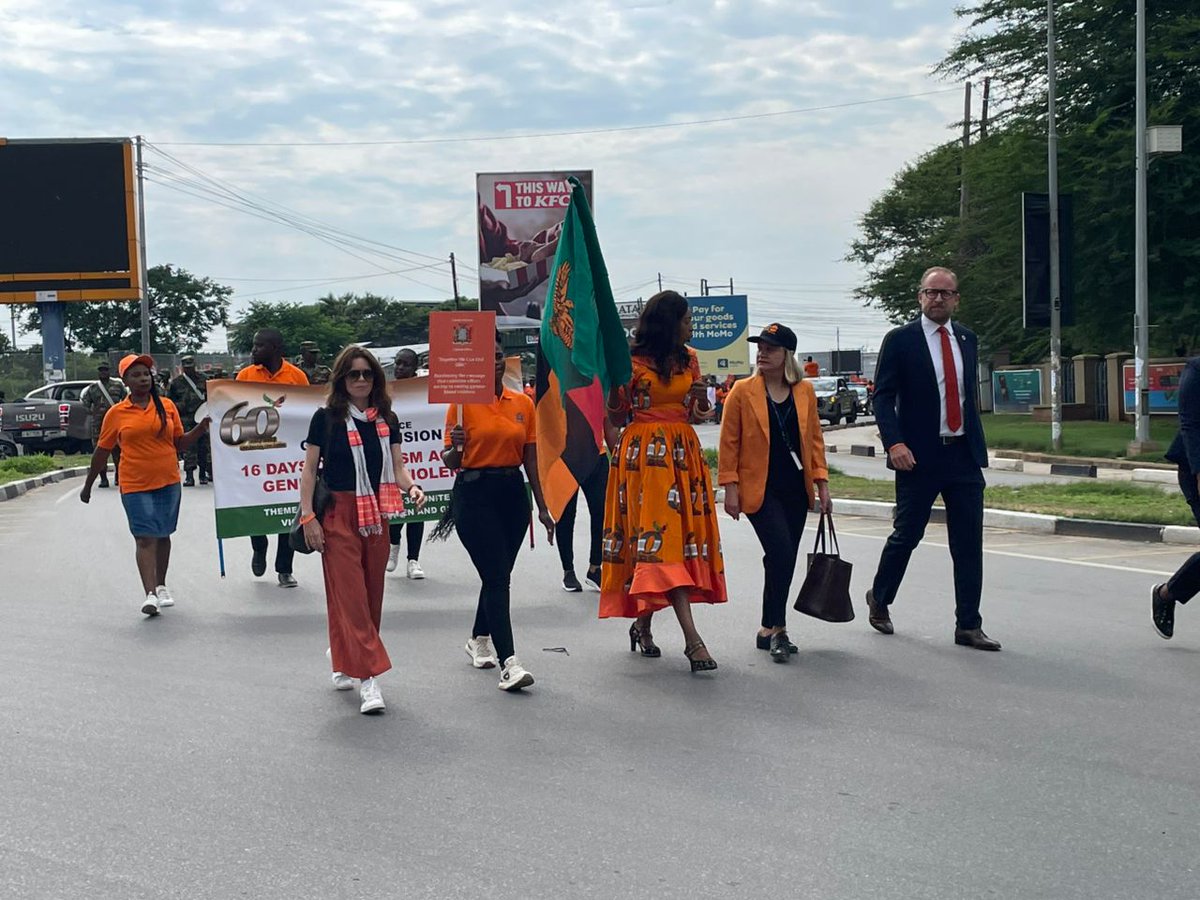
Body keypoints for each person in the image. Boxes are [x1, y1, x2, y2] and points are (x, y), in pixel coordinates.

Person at [866, 266, 999, 651]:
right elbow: (882, 397)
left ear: (957, 298)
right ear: (919, 297)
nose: (937, 298)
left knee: (968, 541)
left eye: (945, 293)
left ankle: (968, 625)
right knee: (908, 534)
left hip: (962, 454)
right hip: (917, 456)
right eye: (930, 292)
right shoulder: (901, 340)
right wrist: (895, 443)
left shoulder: (966, 339)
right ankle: (881, 597)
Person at [602, 290, 726, 672]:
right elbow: (617, 411)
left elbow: (698, 412)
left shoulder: (689, 359)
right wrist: (614, 383)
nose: (692, 326)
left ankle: (643, 624)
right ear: (669, 323)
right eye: (687, 320)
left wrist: (701, 403)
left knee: (672, 540)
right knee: (661, 539)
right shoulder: (631, 360)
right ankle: (693, 641)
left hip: (682, 454)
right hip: (642, 458)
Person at [298, 347, 425, 715]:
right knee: (351, 596)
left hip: (377, 515)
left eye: (367, 374)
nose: (360, 380)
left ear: (376, 378)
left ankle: (342, 654)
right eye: (353, 374)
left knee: (369, 598)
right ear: (341, 379)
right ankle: (369, 680)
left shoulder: (386, 419)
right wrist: (309, 518)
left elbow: (398, 467)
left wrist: (412, 487)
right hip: (337, 514)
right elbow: (309, 471)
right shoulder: (325, 419)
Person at [437, 339, 554, 692]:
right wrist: (455, 447)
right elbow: (450, 462)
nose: (494, 363)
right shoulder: (460, 405)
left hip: (512, 495)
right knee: (498, 576)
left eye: (499, 356)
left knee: (497, 574)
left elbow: (531, 458)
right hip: (474, 495)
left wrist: (543, 506)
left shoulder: (522, 403)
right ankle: (510, 664)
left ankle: (478, 637)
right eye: (486, 358)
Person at [719, 323, 832, 662]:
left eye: (771, 348)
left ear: (787, 355)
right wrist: (730, 488)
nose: (762, 353)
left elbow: (813, 441)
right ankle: (778, 629)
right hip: (759, 489)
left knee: (781, 558)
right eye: (760, 347)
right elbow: (729, 442)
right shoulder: (742, 391)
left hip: (795, 489)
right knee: (781, 551)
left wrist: (822, 485)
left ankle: (767, 629)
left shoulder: (804, 392)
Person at [80, 354, 210, 617]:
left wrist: (201, 428)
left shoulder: (167, 406)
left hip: (168, 481)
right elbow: (102, 451)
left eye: (146, 374)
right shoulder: (116, 413)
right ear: (126, 380)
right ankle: (149, 593)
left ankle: (161, 585)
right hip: (134, 483)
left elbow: (179, 444)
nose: (143, 378)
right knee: (143, 537)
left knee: (163, 534)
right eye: (136, 374)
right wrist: (88, 485)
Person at [238, 329, 310, 587]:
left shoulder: (296, 376)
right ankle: (259, 546)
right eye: (253, 345)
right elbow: (236, 410)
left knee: (286, 509)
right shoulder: (245, 376)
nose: (253, 351)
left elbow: (307, 412)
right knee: (256, 503)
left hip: (286, 454)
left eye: (259, 346)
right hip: (256, 452)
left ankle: (284, 568)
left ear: (276, 348)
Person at [1153, 355, 1200, 639]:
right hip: (1195, 469)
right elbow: (1191, 424)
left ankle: (1168, 594)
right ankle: (1167, 594)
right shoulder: (1196, 370)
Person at [557, 417, 618, 593]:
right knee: (566, 515)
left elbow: (608, 420)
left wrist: (619, 458)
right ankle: (568, 571)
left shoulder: (598, 388)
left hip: (595, 456)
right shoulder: (557, 389)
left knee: (601, 512)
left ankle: (595, 567)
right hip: (565, 457)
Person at [387, 348, 428, 579]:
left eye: (405, 364)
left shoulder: (424, 390)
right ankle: (393, 546)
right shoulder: (385, 393)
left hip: (420, 459)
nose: (400, 368)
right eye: (397, 363)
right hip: (395, 460)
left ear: (415, 367)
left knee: (416, 509)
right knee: (394, 510)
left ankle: (414, 559)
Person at [79, 362, 127, 488]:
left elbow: (127, 399)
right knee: (99, 451)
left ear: (109, 372)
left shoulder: (118, 385)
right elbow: (85, 404)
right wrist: (94, 412)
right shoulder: (93, 388)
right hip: (99, 425)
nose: (103, 373)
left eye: (105, 370)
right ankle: (103, 478)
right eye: (101, 370)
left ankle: (119, 476)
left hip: (116, 422)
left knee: (118, 451)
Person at [168, 355, 210, 486]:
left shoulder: (204, 380)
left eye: (191, 366)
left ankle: (203, 474)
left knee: (204, 447)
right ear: (182, 367)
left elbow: (212, 396)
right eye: (186, 367)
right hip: (186, 419)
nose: (189, 369)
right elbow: (170, 402)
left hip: (203, 417)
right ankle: (189, 475)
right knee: (189, 448)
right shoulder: (176, 383)